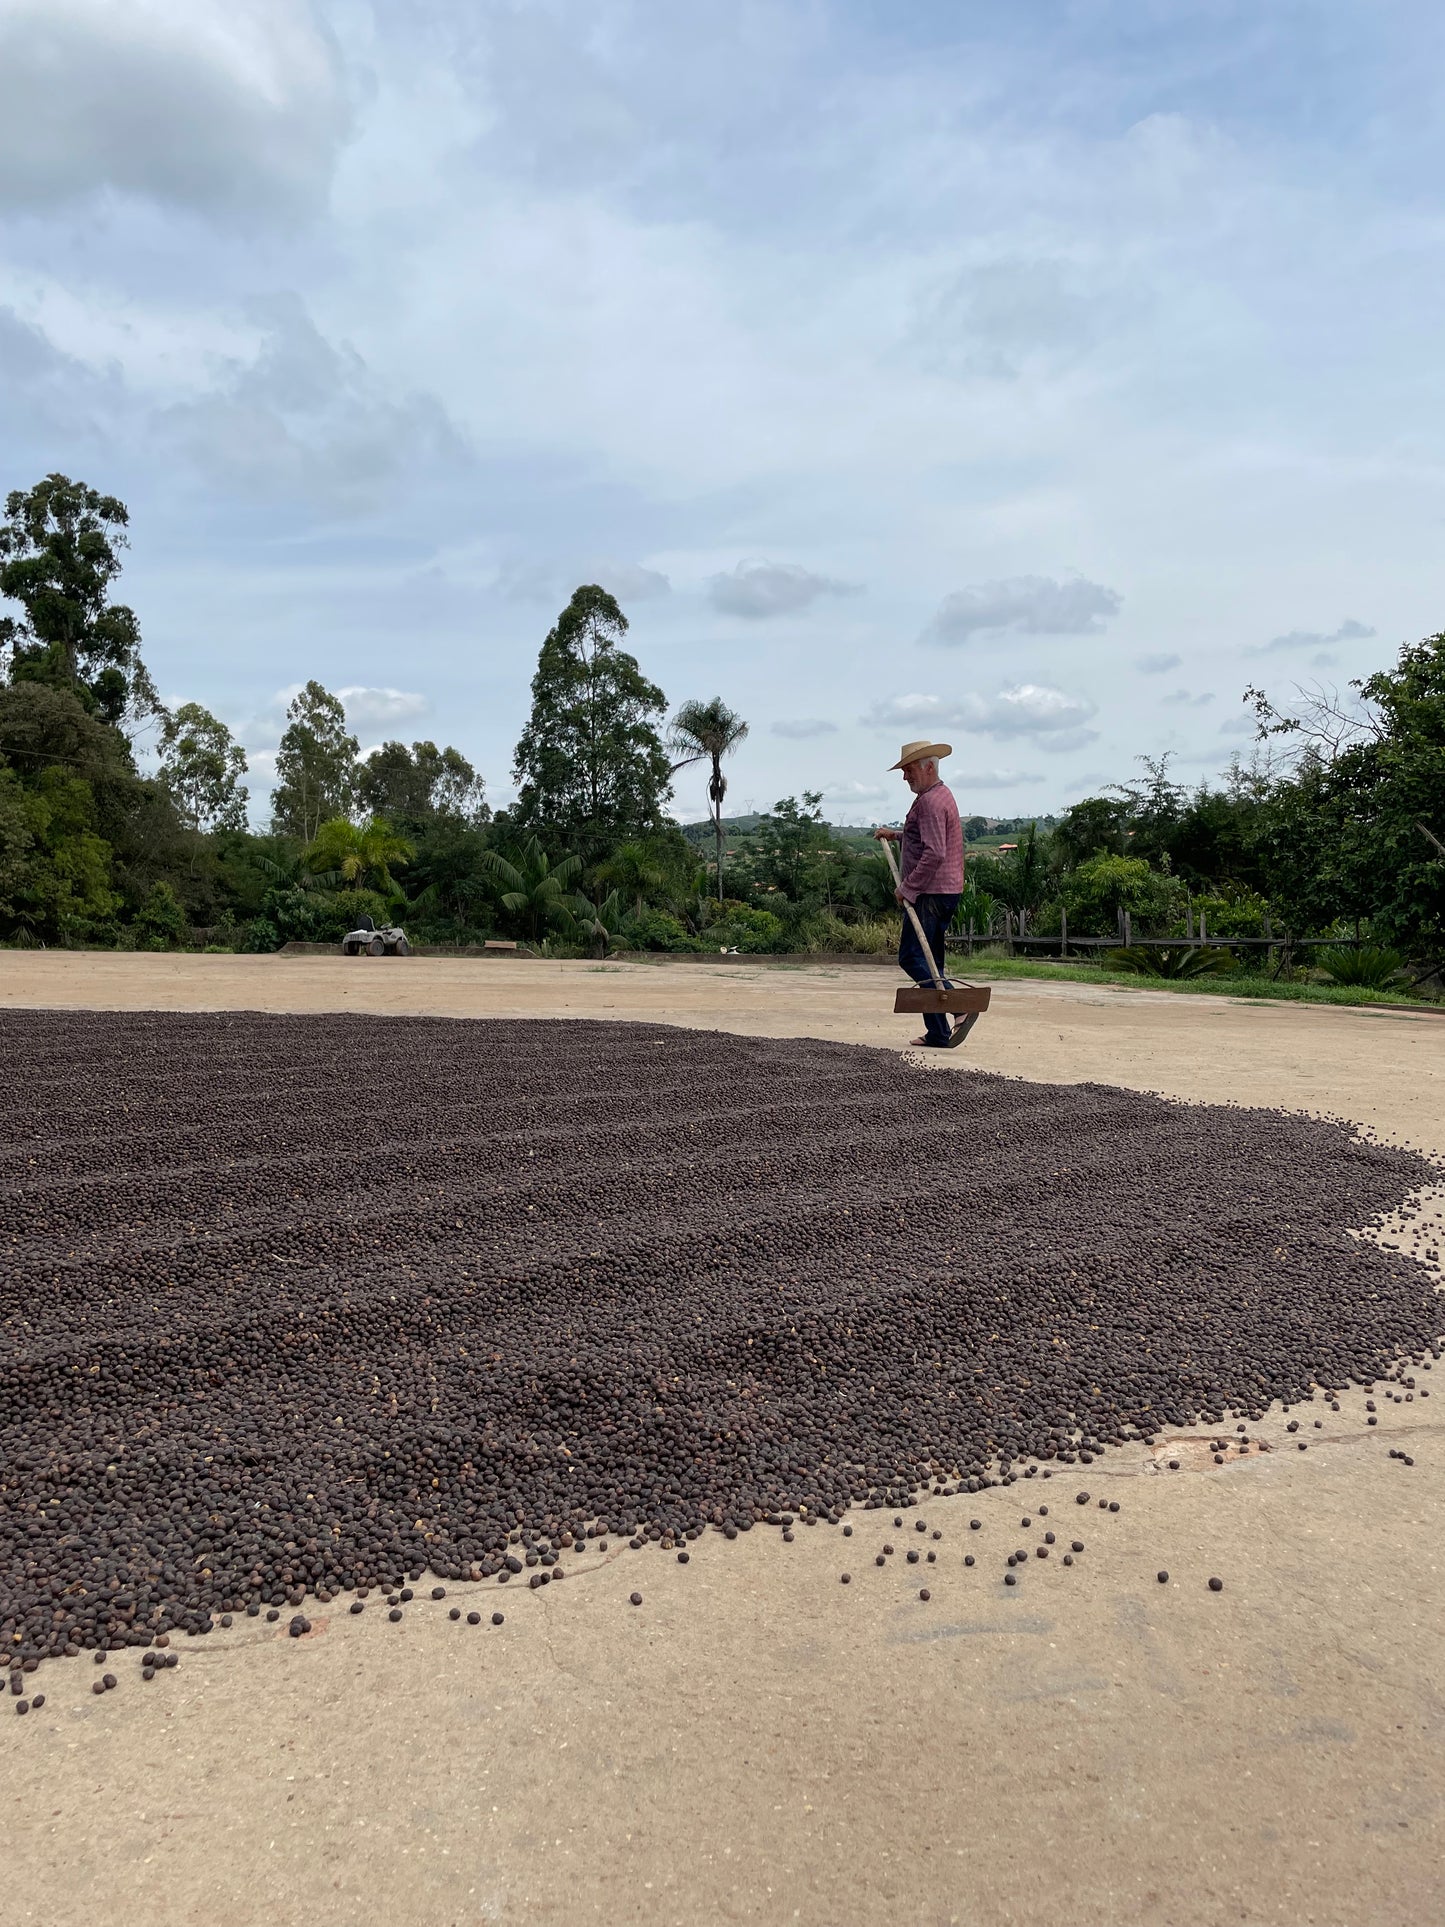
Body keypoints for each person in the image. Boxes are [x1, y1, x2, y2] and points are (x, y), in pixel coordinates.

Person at [874, 739, 964, 1047]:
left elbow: (934, 853)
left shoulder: (929, 802)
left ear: (928, 767)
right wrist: (896, 835)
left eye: (909, 769)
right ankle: (938, 1033)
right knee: (931, 961)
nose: (905, 777)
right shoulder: (939, 796)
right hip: (944, 891)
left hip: (930, 893)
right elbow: (923, 838)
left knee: (911, 957)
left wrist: (908, 888)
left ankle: (958, 1005)